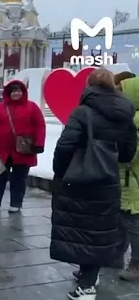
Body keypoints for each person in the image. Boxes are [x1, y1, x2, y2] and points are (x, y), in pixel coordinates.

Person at [51, 68, 137, 300]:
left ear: (89, 86)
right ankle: (89, 273)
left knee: (83, 228)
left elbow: (65, 146)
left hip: (80, 180)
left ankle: (87, 286)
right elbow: (128, 153)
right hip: (108, 180)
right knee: (98, 229)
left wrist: (60, 171)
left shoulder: (82, 112)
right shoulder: (126, 112)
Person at [0, 80, 46, 212]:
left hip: (23, 150)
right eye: (13, 91)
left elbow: (40, 125)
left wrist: (39, 143)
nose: (16, 93)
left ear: (23, 92)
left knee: (19, 178)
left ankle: (16, 203)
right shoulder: (0, 107)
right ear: (9, 93)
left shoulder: (32, 107)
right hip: (2, 149)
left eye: (19, 91)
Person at [117, 75, 139, 281]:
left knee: (133, 224)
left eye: (122, 91)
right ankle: (116, 257)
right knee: (122, 221)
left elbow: (131, 154)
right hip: (125, 179)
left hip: (132, 180)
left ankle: (136, 264)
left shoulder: (135, 120)